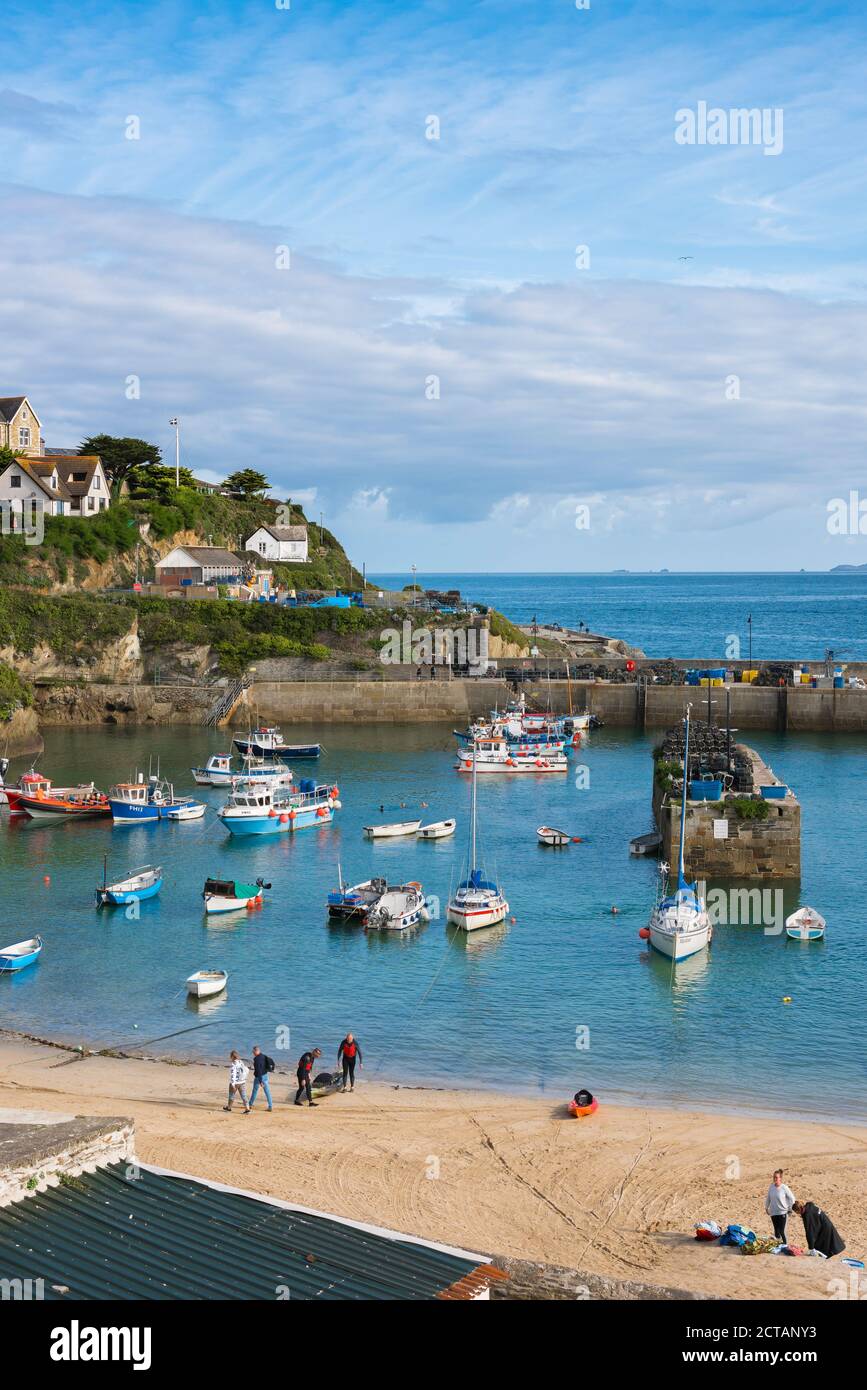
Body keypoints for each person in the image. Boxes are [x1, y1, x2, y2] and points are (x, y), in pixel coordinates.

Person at [765, 1169, 796, 1242]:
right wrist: (766, 1208)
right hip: (773, 1212)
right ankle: (778, 1246)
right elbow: (768, 1198)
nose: (775, 1179)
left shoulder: (784, 1187)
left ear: (780, 1178)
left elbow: (792, 1198)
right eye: (774, 1177)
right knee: (776, 1231)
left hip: (783, 1212)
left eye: (776, 1177)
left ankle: (785, 1245)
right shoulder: (771, 1187)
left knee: (782, 1231)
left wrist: (790, 1209)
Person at [248, 1044, 274, 1112]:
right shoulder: (264, 1056)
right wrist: (272, 1069)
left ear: (256, 1051)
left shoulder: (256, 1060)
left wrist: (260, 1081)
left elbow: (258, 1071)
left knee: (255, 1091)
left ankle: (250, 1104)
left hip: (259, 1077)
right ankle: (270, 1106)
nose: (253, 1053)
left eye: (253, 1052)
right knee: (267, 1091)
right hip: (265, 1075)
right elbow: (272, 1062)